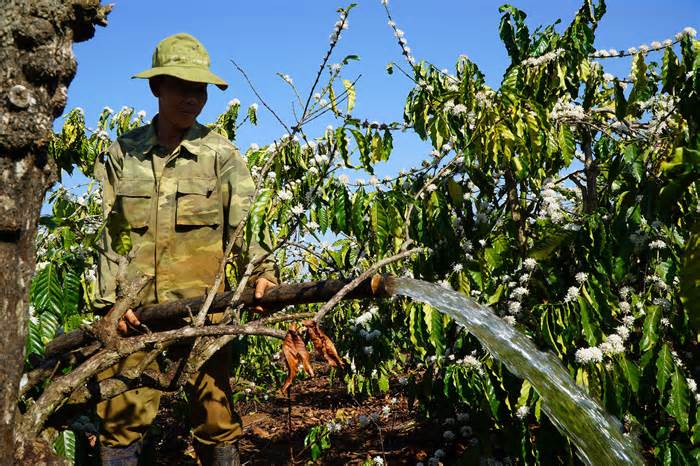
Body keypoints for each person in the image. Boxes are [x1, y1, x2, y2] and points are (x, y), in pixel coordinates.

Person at [93, 33, 277, 466]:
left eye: (199, 89)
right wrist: (113, 304)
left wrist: (261, 273)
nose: (192, 98)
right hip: (136, 317)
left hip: (204, 312)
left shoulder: (221, 154)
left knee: (217, 420)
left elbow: (245, 223)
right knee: (121, 422)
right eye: (181, 87)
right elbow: (109, 233)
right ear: (157, 88)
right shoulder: (123, 153)